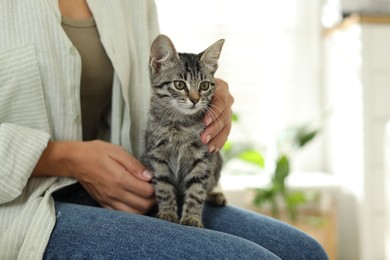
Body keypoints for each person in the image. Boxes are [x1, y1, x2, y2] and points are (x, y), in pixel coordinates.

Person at [0, 0, 329, 259]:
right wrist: (66, 158)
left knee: (306, 253)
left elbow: (156, 86)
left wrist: (209, 97)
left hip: (122, 191)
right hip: (22, 205)